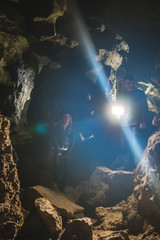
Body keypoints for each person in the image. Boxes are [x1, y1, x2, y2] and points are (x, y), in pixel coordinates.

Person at [53, 113, 75, 190]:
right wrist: (58, 150)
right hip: (58, 149)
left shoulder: (72, 129)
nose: (66, 118)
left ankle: (63, 186)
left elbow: (72, 142)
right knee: (56, 166)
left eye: (68, 117)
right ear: (63, 118)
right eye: (65, 117)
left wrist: (68, 153)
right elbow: (54, 138)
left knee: (66, 169)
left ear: (70, 119)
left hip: (66, 151)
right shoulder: (58, 127)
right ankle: (55, 183)